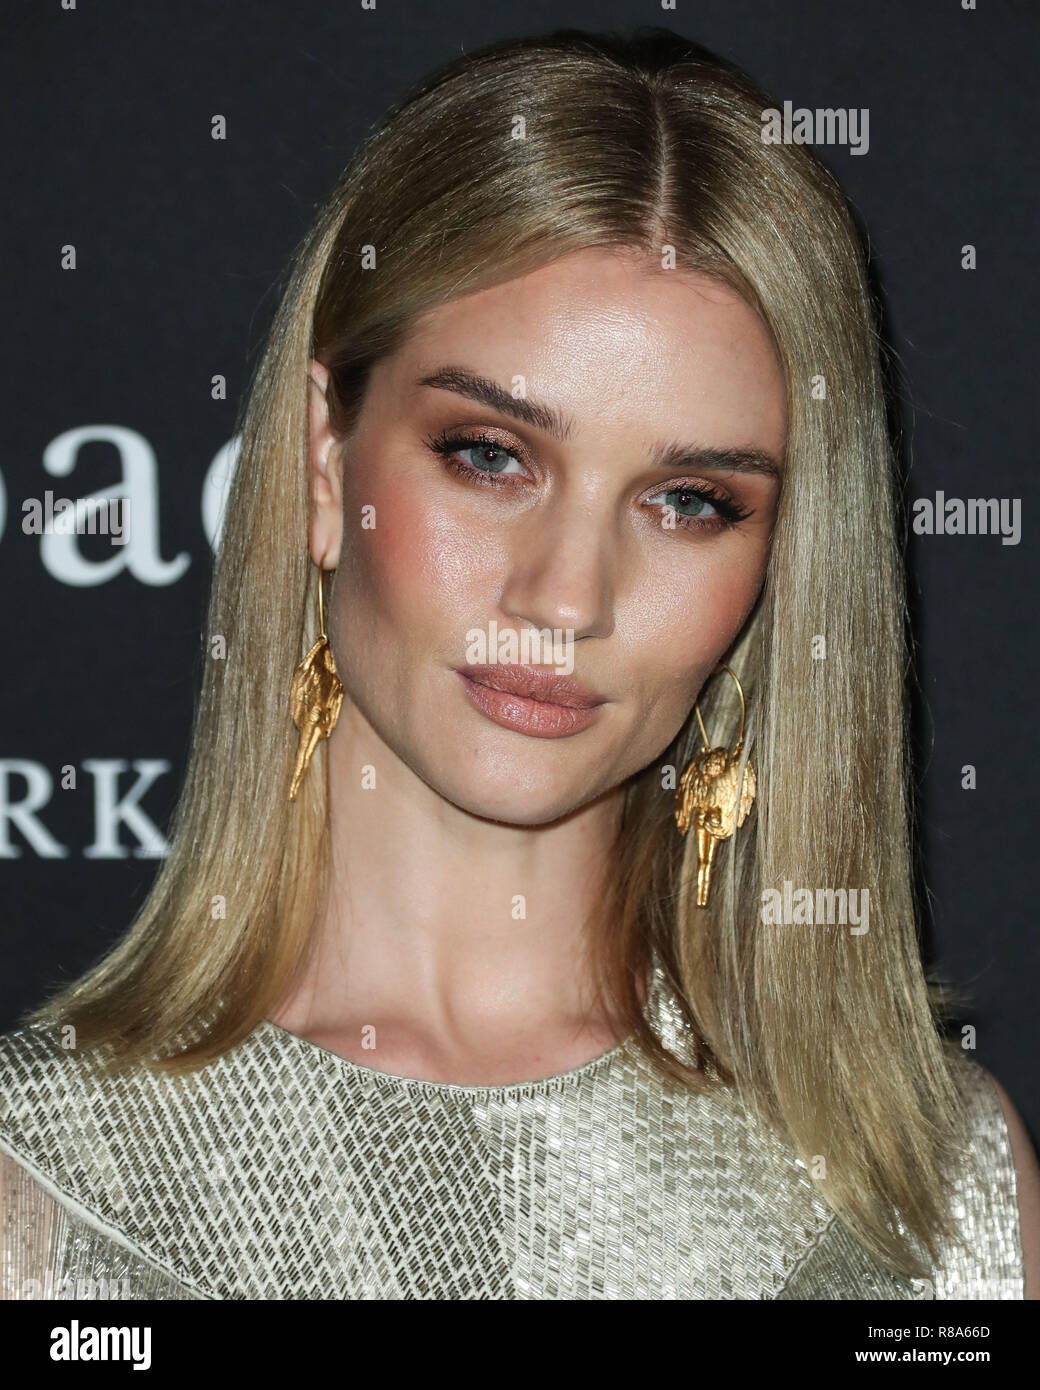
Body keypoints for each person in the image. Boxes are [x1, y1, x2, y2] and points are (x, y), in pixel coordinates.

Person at [1, 26, 1036, 1301]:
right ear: (325, 467)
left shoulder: (934, 1191)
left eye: (690, 500)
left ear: (779, 562)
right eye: (489, 455)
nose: (564, 595)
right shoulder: (44, 1181)